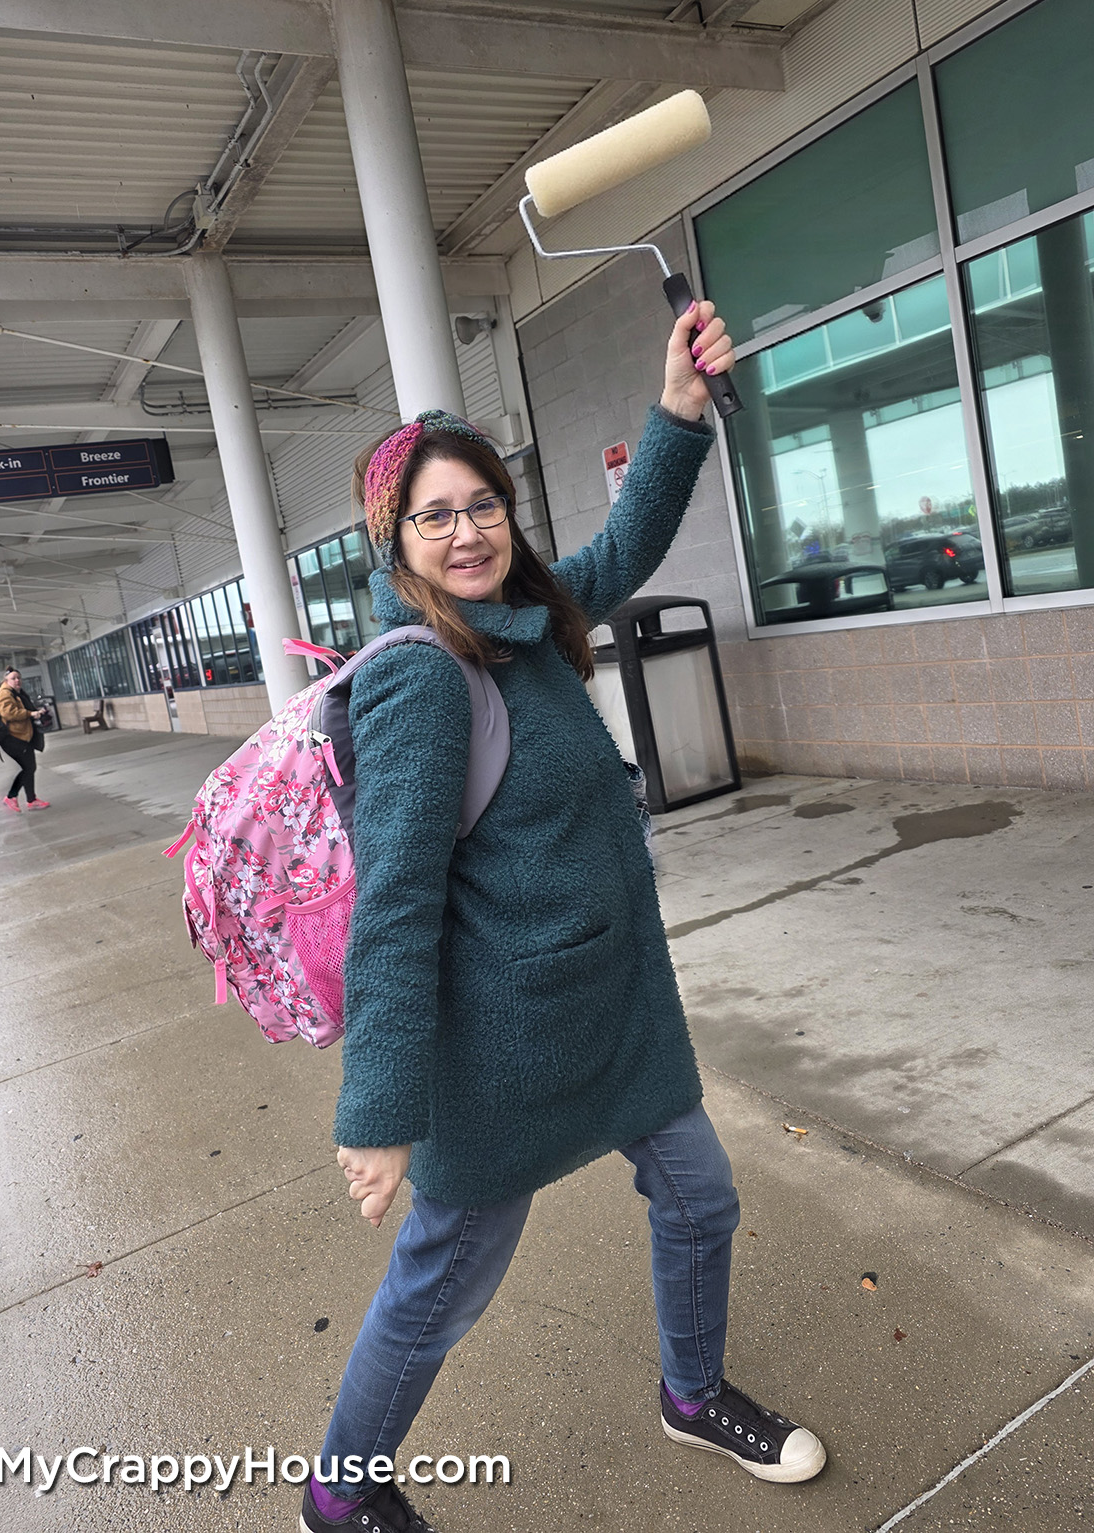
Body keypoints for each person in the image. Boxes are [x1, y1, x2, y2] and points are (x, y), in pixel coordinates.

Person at [298, 302, 825, 1533]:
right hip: (503, 1050)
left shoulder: (525, 626)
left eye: (483, 502)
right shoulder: (425, 677)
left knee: (700, 1197)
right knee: (444, 1283)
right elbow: (396, 909)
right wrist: (379, 1114)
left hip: (613, 1014)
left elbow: (616, 556)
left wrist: (678, 417)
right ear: (396, 540)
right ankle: (342, 1487)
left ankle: (691, 1396)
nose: (468, 530)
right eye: (435, 514)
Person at [0, 668, 49, 812]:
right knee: (28, 767)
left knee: (29, 767)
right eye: (13, 678)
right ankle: (12, 797)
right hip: (14, 737)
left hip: (23, 736)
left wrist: (36, 712)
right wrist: (31, 714)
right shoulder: (4, 694)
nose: (17, 680)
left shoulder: (16, 693)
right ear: (6, 681)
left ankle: (31, 800)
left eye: (19, 677)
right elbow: (8, 713)